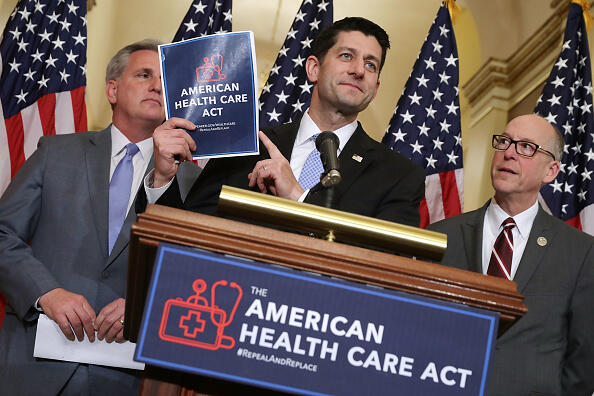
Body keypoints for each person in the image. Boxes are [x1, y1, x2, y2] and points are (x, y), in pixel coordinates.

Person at [143, 17, 425, 227]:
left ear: (375, 88)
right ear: (314, 68)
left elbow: (384, 265)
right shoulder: (247, 145)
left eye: (371, 64)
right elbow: (191, 232)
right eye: (347, 56)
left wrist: (298, 199)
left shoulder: (398, 176)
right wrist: (163, 178)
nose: (358, 70)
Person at [0, 39, 165, 395]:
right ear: (112, 89)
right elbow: (2, 234)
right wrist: (45, 292)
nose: (157, 86)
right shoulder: (55, 152)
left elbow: (197, 273)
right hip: (31, 365)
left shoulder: (187, 182)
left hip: (124, 379)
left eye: (165, 79)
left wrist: (144, 306)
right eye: (144, 74)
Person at [428, 114, 594, 395]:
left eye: (526, 147)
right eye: (504, 142)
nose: (508, 153)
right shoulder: (441, 236)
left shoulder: (580, 252)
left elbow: (584, 355)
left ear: (551, 171)